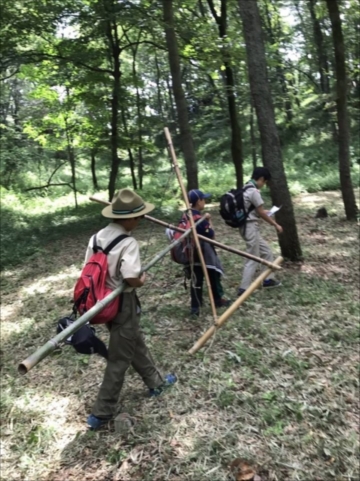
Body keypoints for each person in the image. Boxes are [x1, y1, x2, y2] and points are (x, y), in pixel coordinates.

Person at [86, 188, 176, 430]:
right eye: (138, 218)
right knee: (119, 357)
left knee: (133, 342)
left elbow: (89, 269)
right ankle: (101, 412)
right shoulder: (128, 242)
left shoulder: (95, 238)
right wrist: (142, 279)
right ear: (128, 218)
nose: (139, 222)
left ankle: (156, 382)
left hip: (101, 303)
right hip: (122, 304)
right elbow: (131, 277)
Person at [237, 167, 283, 297]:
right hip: (250, 227)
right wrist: (275, 224)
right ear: (261, 179)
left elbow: (257, 210)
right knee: (253, 258)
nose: (264, 185)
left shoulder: (246, 187)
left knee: (267, 252)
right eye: (265, 182)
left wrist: (266, 212)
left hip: (248, 227)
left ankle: (267, 279)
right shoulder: (253, 191)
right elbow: (261, 213)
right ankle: (243, 288)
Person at [186, 189, 230, 316]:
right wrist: (209, 220)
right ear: (198, 201)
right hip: (204, 254)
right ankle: (217, 300)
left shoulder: (186, 216)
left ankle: (195, 307)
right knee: (213, 275)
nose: (204, 201)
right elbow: (212, 235)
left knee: (196, 280)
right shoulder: (199, 218)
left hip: (191, 254)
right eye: (203, 199)